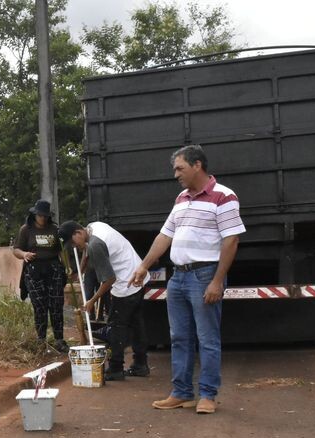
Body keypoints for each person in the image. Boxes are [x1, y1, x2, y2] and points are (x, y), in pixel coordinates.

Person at [131, 145, 245, 414]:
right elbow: (165, 236)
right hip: (178, 277)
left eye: (180, 168)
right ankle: (181, 393)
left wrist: (217, 281)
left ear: (197, 166)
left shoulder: (224, 196)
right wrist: (144, 266)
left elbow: (231, 240)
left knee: (207, 338)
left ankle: (207, 395)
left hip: (204, 274)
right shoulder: (181, 198)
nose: (176, 174)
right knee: (179, 337)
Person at [58, 220, 150, 380]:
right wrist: (80, 270)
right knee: (137, 323)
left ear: (78, 233)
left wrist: (92, 300)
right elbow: (86, 251)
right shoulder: (95, 226)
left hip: (126, 283)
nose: (74, 248)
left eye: (73, 243)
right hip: (138, 275)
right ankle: (141, 365)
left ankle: (115, 368)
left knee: (116, 326)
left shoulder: (95, 245)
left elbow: (109, 279)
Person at [12, 200, 68, 353]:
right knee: (39, 305)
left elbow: (62, 251)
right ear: (35, 215)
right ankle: (41, 340)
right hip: (34, 269)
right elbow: (16, 249)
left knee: (56, 304)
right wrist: (25, 254)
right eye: (40, 215)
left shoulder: (55, 229)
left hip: (53, 269)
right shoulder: (26, 230)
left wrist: (68, 268)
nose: (43, 218)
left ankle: (59, 339)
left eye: (45, 216)